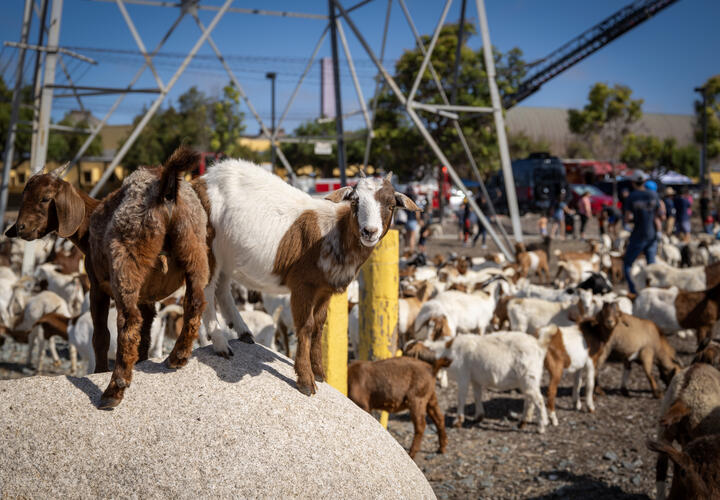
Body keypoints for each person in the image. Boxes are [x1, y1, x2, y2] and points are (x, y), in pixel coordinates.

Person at [623, 170, 662, 295]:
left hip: (638, 234)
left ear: (633, 182)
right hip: (652, 233)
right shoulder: (653, 195)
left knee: (628, 264)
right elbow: (659, 215)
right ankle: (654, 289)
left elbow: (628, 217)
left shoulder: (631, 197)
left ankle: (633, 290)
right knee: (651, 264)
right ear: (644, 181)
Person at [404, 187, 420, 252]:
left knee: (407, 237)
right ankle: (411, 250)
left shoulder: (406, 204)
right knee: (412, 237)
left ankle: (406, 250)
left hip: (407, 221)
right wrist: (419, 221)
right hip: (413, 221)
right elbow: (417, 214)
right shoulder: (414, 203)